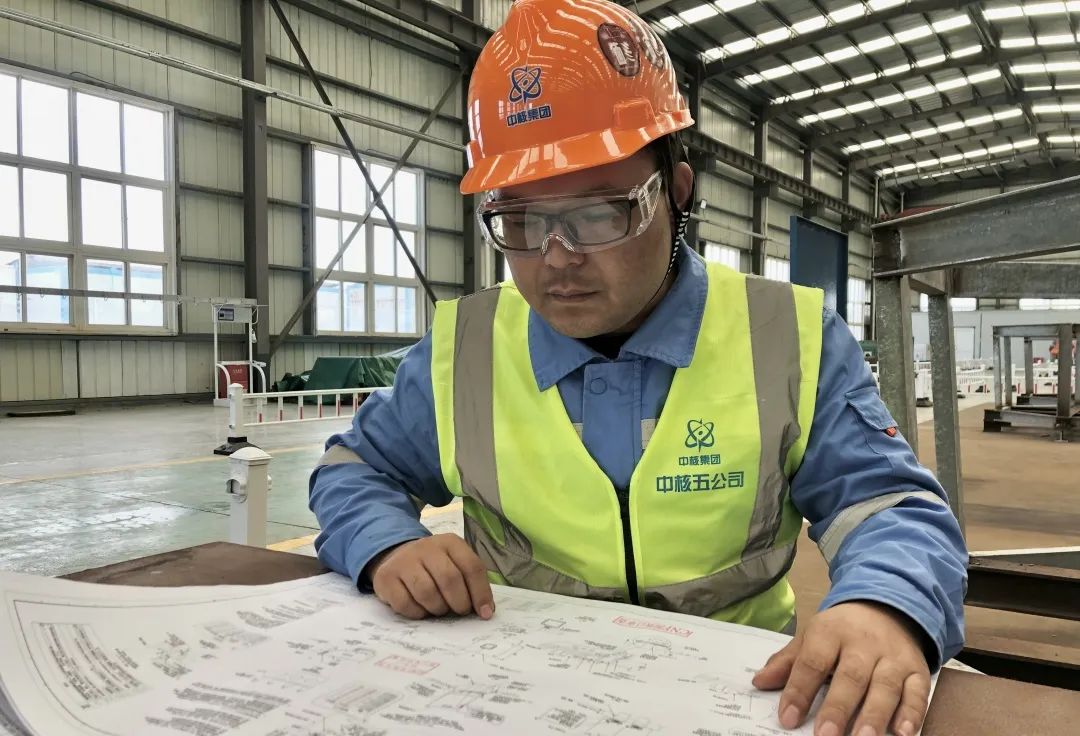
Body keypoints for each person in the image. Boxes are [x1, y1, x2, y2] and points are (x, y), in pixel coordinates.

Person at [309, 2, 967, 735]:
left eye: (598, 214)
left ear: (676, 193)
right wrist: (387, 543)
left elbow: (887, 505)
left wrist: (883, 605)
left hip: (738, 699)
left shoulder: (788, 337)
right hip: (516, 695)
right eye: (521, 221)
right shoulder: (465, 348)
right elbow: (353, 469)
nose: (557, 257)